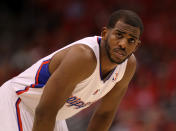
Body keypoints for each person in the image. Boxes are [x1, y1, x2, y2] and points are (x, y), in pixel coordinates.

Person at [0, 9, 143, 131]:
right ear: (105, 34)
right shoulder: (84, 57)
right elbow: (45, 111)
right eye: (119, 35)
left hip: (53, 116)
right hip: (19, 102)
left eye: (131, 40)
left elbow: (104, 114)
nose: (123, 44)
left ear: (136, 46)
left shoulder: (128, 67)